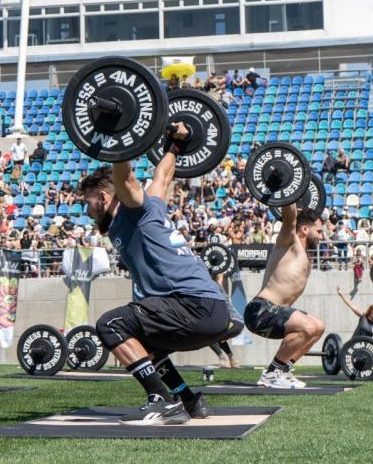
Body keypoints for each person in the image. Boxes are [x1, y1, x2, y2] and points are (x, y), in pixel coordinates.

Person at [82, 122, 238, 426]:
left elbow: (124, 175)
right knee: (146, 344)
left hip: (191, 305)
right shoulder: (153, 204)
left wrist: (117, 133)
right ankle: (189, 400)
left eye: (87, 202)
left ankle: (160, 400)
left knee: (110, 324)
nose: (86, 210)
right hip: (213, 309)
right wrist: (178, 142)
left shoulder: (133, 208)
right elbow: (163, 175)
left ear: (102, 196)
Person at [243, 203, 326, 389]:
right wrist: (291, 194)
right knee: (308, 325)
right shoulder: (289, 242)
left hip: (276, 312)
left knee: (318, 327)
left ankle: (283, 370)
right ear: (304, 229)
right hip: (260, 310)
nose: (321, 236)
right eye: (318, 231)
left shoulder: (304, 254)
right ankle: (271, 374)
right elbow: (289, 215)